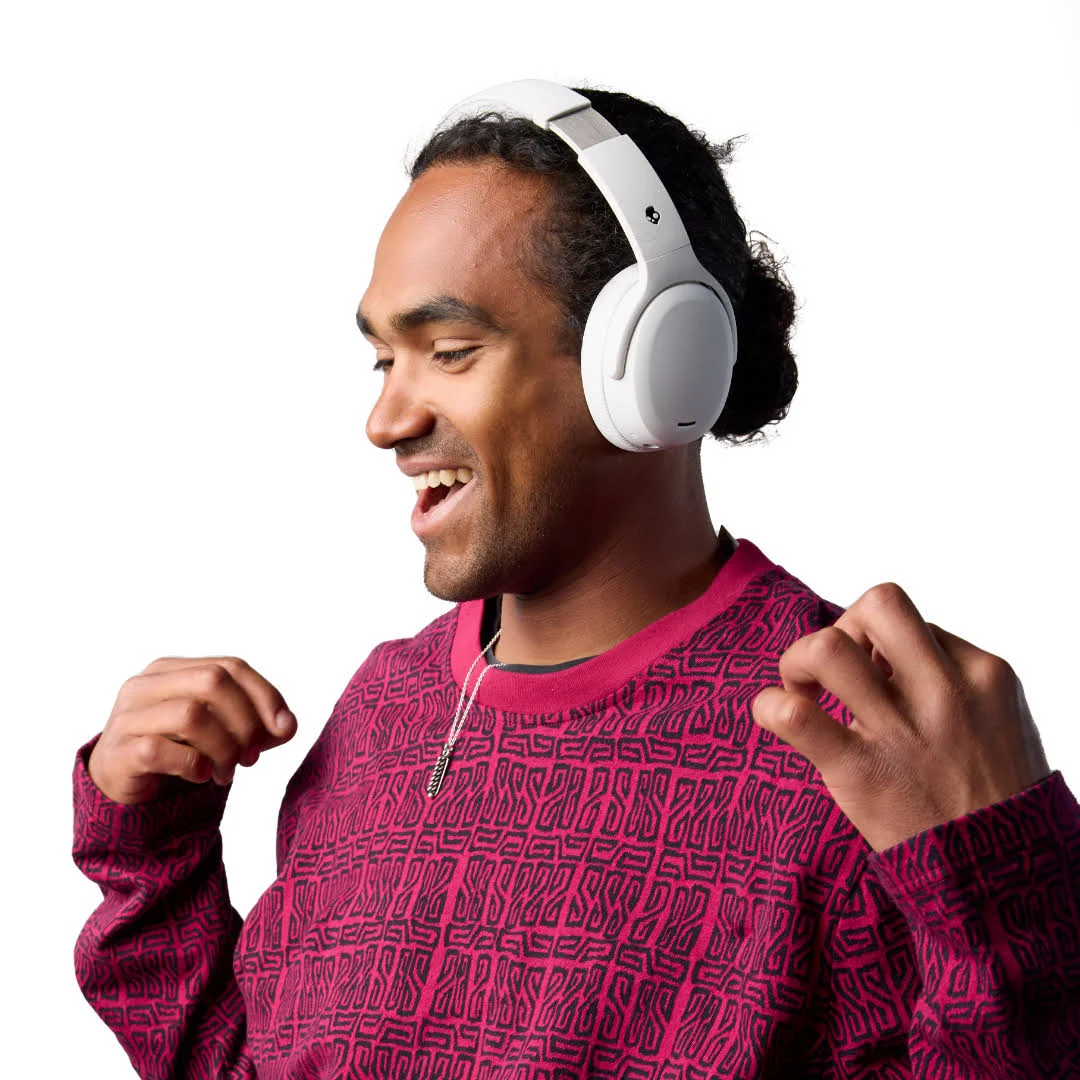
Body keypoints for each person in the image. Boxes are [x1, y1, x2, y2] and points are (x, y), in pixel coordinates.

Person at [72, 79, 1080, 1078]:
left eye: (449, 351)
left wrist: (1005, 885)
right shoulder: (382, 712)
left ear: (656, 364)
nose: (386, 422)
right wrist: (152, 850)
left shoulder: (855, 744)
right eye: (384, 360)